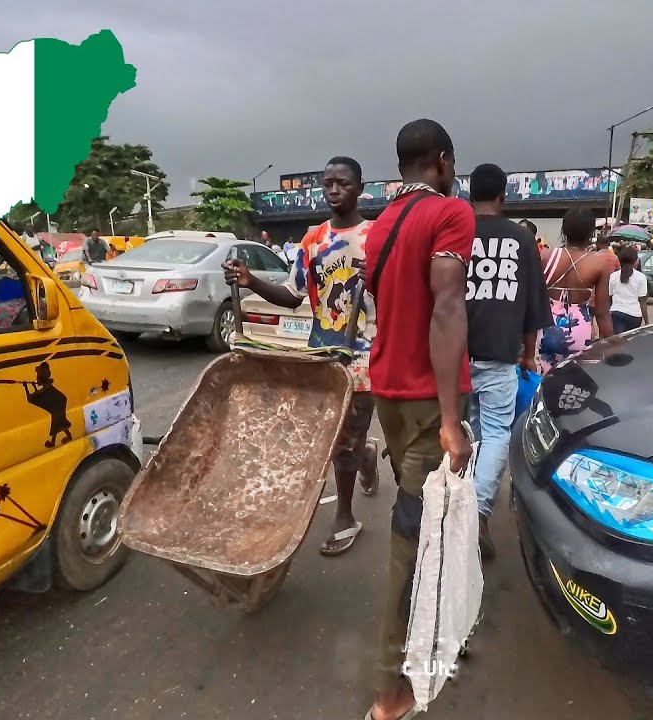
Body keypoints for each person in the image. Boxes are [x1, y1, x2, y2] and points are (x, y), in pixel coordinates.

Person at [363, 118, 474, 720]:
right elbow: (447, 307)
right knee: (411, 539)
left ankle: (428, 638)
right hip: (431, 401)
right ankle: (389, 693)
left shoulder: (381, 225)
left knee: (420, 524)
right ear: (443, 160)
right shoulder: (450, 214)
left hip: (389, 393)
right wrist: (451, 419)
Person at [222, 157, 379, 556]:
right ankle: (366, 456)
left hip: (364, 358)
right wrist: (251, 280)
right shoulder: (313, 240)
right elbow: (293, 296)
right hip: (321, 354)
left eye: (343, 183)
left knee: (346, 440)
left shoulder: (376, 237)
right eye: (328, 183)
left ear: (360, 188)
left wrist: (378, 280)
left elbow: (399, 296)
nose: (333, 190)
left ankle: (345, 516)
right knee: (330, 438)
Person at [464, 163, 551, 561]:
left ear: (469, 194)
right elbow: (534, 305)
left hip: (454, 354)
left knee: (468, 430)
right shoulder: (521, 238)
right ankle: (478, 512)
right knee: (497, 432)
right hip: (501, 353)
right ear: (503, 196)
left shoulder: (456, 232)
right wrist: (529, 355)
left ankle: (462, 503)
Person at [537, 208, 614, 372]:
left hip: (547, 328)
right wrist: (612, 345)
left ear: (564, 230)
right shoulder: (598, 264)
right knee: (576, 381)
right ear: (591, 232)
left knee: (546, 378)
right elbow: (602, 312)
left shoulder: (545, 256)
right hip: (579, 332)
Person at [609, 245, 649, 333]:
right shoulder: (641, 277)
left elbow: (609, 298)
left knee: (618, 339)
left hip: (616, 313)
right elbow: (642, 302)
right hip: (634, 315)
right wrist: (646, 322)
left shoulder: (613, 276)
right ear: (636, 261)